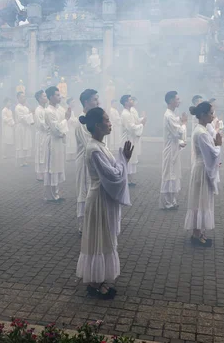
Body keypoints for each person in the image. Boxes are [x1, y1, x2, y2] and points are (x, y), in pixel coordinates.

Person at [76, 107, 133, 299]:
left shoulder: (100, 145)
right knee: (98, 240)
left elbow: (114, 170)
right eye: (107, 121)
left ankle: (100, 280)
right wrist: (123, 160)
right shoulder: (93, 149)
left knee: (105, 238)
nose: (110, 124)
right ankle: (95, 283)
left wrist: (122, 160)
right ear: (98, 125)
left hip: (104, 197)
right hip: (99, 198)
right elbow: (113, 174)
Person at [184, 101, 222, 247]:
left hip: (201, 168)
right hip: (202, 169)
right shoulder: (201, 133)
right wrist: (218, 145)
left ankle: (199, 232)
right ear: (203, 115)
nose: (213, 116)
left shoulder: (201, 130)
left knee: (200, 200)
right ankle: (196, 234)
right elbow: (212, 154)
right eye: (211, 113)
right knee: (200, 200)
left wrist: (215, 145)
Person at [75, 89, 99, 233]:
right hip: (85, 163)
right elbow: (90, 144)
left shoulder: (92, 120)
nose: (98, 102)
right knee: (84, 192)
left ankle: (93, 222)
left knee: (93, 191)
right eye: (95, 99)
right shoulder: (81, 122)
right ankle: (83, 224)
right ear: (86, 102)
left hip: (95, 162)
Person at [160, 91, 188, 210]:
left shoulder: (172, 114)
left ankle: (172, 200)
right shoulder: (169, 115)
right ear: (171, 100)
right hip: (170, 149)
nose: (179, 101)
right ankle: (167, 202)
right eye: (177, 99)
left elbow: (175, 135)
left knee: (174, 173)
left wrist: (181, 143)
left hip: (174, 148)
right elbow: (178, 132)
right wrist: (184, 123)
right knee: (169, 174)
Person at [44, 86, 71, 202]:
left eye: (59, 95)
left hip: (59, 142)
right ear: (51, 97)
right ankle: (50, 195)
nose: (59, 97)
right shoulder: (49, 111)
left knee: (58, 166)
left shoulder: (59, 109)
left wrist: (66, 119)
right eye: (57, 95)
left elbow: (62, 125)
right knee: (52, 167)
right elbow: (55, 129)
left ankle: (56, 193)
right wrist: (66, 120)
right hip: (53, 142)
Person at [120, 95, 145, 186]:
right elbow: (131, 127)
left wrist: (141, 120)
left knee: (131, 159)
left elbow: (135, 122)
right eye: (130, 100)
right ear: (126, 102)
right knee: (128, 160)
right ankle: (126, 179)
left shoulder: (130, 112)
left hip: (131, 139)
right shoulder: (125, 114)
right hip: (127, 139)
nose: (132, 101)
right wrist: (141, 125)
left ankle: (130, 179)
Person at [14, 92, 34, 167]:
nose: (24, 98)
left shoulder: (26, 108)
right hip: (21, 127)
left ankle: (25, 160)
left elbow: (28, 116)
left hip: (26, 127)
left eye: (24, 97)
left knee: (26, 143)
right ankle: (20, 161)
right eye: (22, 97)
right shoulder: (17, 107)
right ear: (18, 98)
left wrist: (31, 119)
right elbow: (22, 118)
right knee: (21, 143)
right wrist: (30, 117)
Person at [34, 90, 49, 181]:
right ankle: (39, 173)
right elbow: (42, 124)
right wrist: (50, 127)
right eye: (44, 96)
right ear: (39, 98)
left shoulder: (45, 109)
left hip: (46, 134)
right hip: (42, 134)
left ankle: (45, 172)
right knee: (40, 153)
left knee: (45, 153)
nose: (46, 98)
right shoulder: (38, 110)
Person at [189, 95, 203, 161]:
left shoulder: (199, 112)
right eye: (199, 101)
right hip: (197, 135)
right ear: (195, 103)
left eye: (201, 101)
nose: (200, 102)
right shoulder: (195, 114)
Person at [66, 98, 78, 162]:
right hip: (68, 128)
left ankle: (72, 156)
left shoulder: (72, 111)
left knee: (72, 141)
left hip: (72, 128)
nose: (74, 104)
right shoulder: (67, 109)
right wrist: (75, 120)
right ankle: (68, 156)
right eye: (73, 102)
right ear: (69, 103)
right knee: (69, 141)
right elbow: (69, 119)